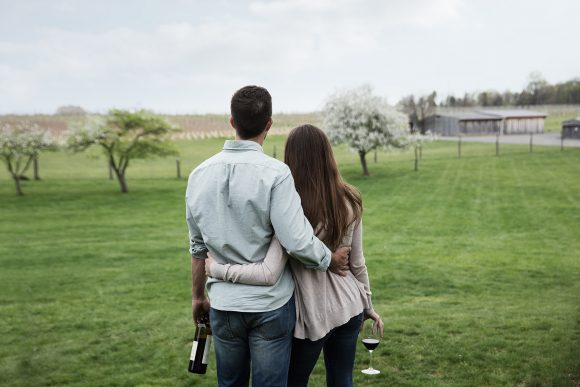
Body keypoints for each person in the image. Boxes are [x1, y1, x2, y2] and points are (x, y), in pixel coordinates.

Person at [185, 86, 351, 387]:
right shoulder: (276, 173)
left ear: (232, 122)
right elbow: (297, 240)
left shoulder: (198, 175)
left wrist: (198, 296)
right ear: (269, 124)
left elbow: (197, 248)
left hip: (223, 303)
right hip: (270, 307)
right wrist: (330, 259)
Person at [206, 124, 384, 387]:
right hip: (349, 305)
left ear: (292, 158)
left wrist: (216, 269)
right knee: (342, 380)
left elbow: (272, 268)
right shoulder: (350, 199)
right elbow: (357, 262)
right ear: (328, 155)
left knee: (292, 382)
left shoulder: (290, 204)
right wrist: (367, 305)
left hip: (311, 314)